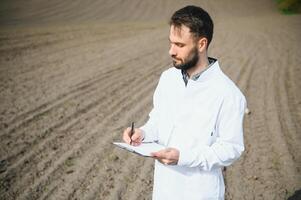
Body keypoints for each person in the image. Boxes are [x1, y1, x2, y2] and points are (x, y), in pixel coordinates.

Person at [123, 5, 247, 200]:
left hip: (200, 192)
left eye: (179, 45)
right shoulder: (167, 78)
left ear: (201, 44)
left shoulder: (228, 94)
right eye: (171, 43)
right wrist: (142, 133)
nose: (171, 51)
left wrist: (183, 157)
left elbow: (231, 148)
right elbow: (158, 120)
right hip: (164, 189)